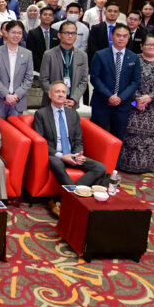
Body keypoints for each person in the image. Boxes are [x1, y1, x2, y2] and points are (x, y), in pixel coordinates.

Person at [34, 81, 107, 213]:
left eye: (63, 92)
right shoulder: (41, 114)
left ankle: (63, 198)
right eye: (57, 91)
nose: (61, 94)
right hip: (54, 155)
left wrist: (78, 154)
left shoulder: (73, 114)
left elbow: (78, 140)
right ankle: (74, 199)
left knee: (100, 168)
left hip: (72, 154)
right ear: (50, 94)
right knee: (57, 164)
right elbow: (41, 143)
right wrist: (62, 156)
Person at [90, 23, 141, 140]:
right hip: (101, 103)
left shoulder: (134, 57)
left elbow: (135, 81)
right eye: (118, 35)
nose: (121, 38)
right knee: (97, 138)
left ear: (128, 38)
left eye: (125, 36)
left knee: (118, 139)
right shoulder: (100, 55)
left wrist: (120, 98)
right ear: (112, 36)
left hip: (122, 105)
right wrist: (109, 96)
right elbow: (95, 78)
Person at [118, 35, 154, 173]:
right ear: (141, 46)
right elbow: (125, 81)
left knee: (151, 140)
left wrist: (150, 97)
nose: (151, 47)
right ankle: (126, 165)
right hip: (133, 105)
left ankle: (148, 166)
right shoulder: (133, 60)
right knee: (130, 137)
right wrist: (137, 100)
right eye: (148, 44)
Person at [0, 21, 34, 118]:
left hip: (18, 102)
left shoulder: (27, 54)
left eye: (19, 33)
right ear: (6, 33)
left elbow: (29, 78)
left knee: (16, 128)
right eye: (13, 32)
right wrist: (6, 95)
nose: (16, 35)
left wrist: (16, 95)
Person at [39, 21, 89, 109]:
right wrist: (57, 97)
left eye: (73, 33)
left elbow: (83, 81)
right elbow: (44, 79)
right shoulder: (49, 54)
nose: (70, 36)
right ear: (59, 35)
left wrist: (74, 99)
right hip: (51, 103)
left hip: (72, 103)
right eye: (66, 33)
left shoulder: (82, 56)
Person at [27, 6, 60, 72]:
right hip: (37, 68)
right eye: (45, 14)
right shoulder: (32, 33)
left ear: (53, 18)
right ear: (40, 17)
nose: (47, 17)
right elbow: (31, 52)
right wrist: (42, 65)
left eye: (50, 15)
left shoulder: (56, 33)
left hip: (54, 67)